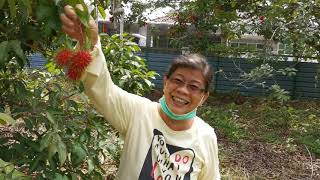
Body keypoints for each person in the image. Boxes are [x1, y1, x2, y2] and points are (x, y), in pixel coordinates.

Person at [60, 5, 220, 180]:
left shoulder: (206, 136)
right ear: (165, 82)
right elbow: (104, 90)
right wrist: (90, 43)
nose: (182, 90)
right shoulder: (139, 112)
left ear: (204, 97)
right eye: (178, 80)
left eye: (194, 87)